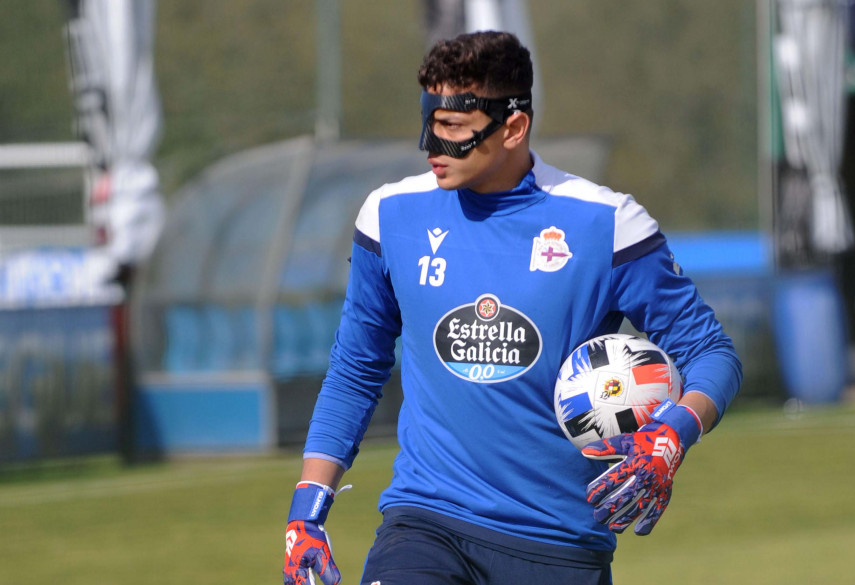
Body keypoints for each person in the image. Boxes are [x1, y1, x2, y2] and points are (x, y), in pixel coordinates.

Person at [283, 30, 742, 585]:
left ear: (514, 127)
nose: (431, 141)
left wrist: (672, 435)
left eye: (452, 127)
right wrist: (306, 511)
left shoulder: (607, 225)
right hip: (424, 522)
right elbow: (355, 371)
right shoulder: (390, 215)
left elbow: (711, 353)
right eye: (428, 120)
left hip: (558, 546)